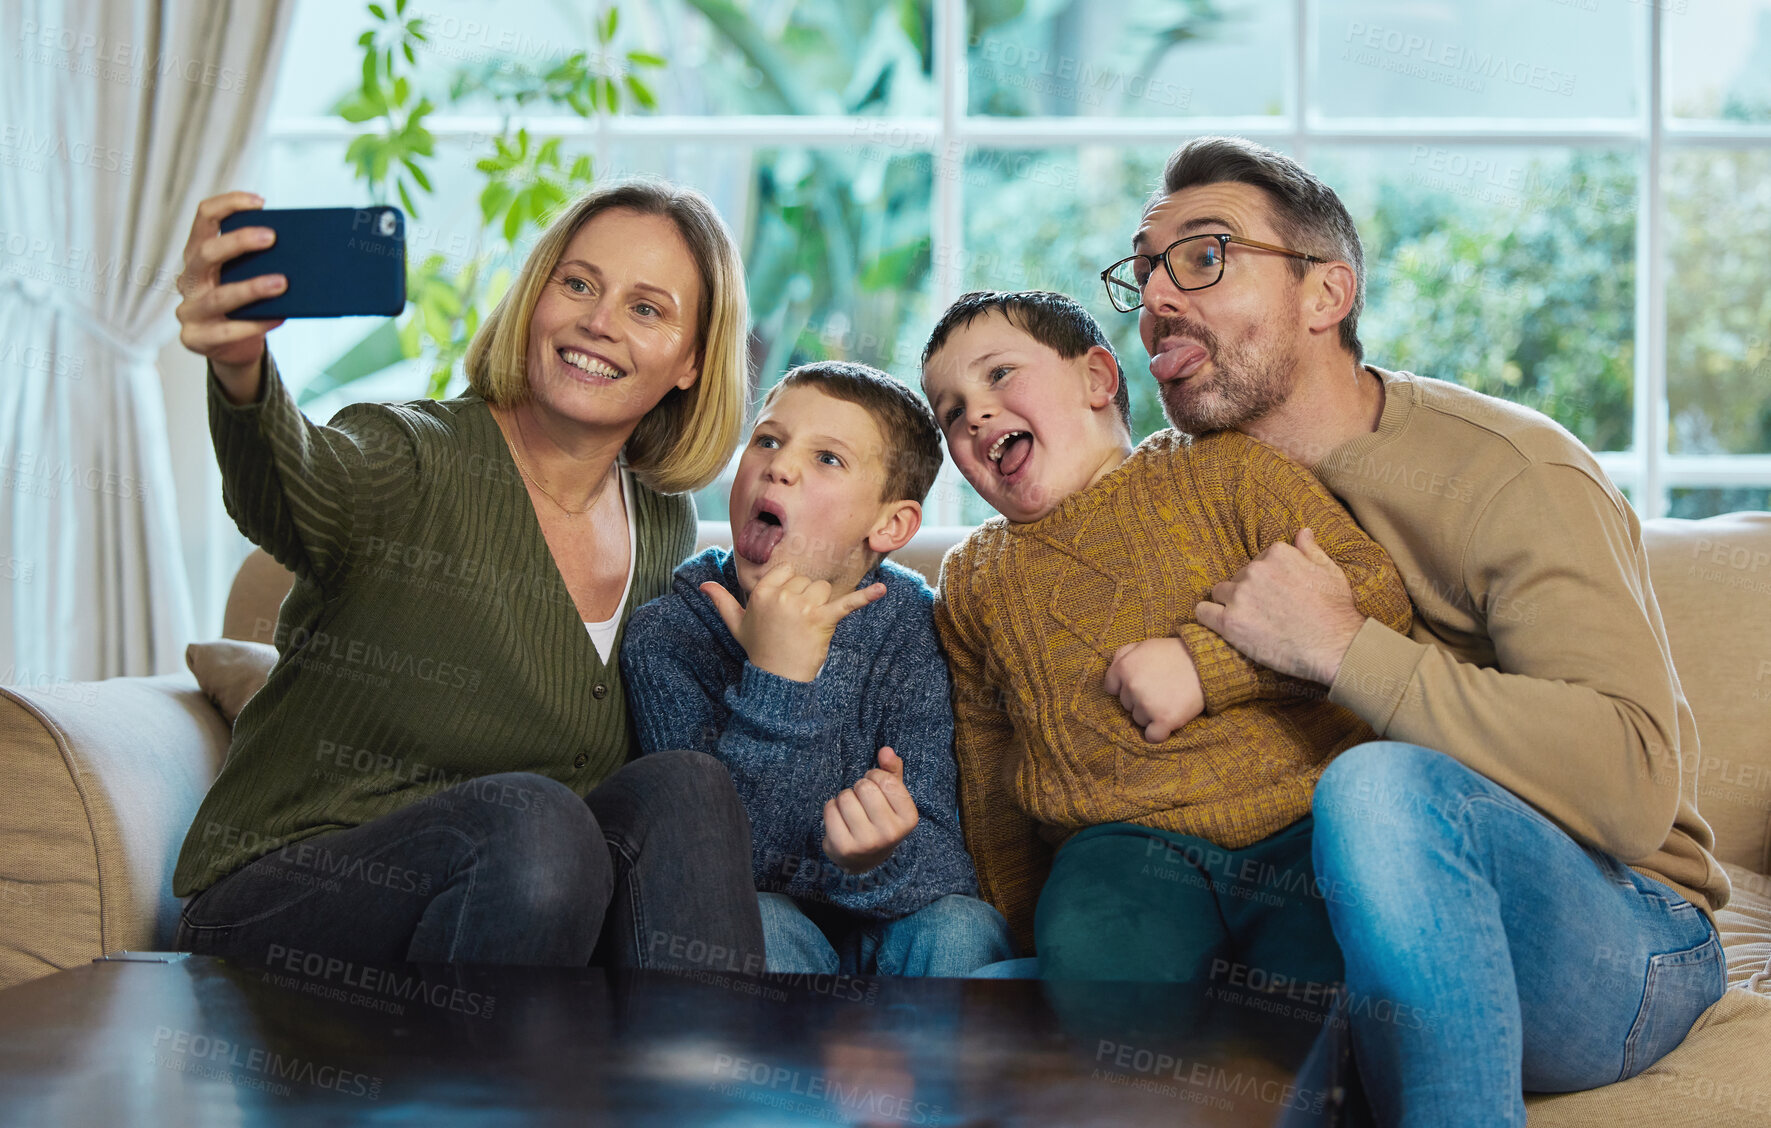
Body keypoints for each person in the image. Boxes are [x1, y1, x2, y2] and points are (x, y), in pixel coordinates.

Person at [1109, 135, 1729, 1125]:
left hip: (1624, 927)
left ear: (1326, 295)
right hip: (1339, 915)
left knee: (1377, 790)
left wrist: (1342, 650)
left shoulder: (1507, 470)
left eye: (1204, 254)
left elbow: (1630, 783)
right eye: (1142, 272)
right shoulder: (1167, 493)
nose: (1156, 299)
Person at [169, 179, 767, 973]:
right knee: (539, 822)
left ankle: (697, 1091)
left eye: (646, 309)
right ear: (536, 297)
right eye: (578, 284)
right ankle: (485, 1101)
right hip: (289, 906)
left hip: (516, 918)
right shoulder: (409, 456)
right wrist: (242, 368)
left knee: (685, 787)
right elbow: (290, 482)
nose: (598, 321)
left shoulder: (662, 520)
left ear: (691, 361)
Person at [919, 289, 1411, 984]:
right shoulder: (970, 580)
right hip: (1117, 850)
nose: (974, 413)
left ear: (1096, 377)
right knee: (1099, 976)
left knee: (1333, 978)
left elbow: (1374, 593)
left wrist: (1206, 665)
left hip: (1298, 822)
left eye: (998, 375)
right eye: (950, 413)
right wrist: (1026, 931)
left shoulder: (1222, 469)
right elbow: (988, 766)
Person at [621, 361, 1013, 976]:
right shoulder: (668, 635)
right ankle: (794, 1078)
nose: (778, 465)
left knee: (965, 928)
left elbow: (950, 864)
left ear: (890, 525)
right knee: (765, 923)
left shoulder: (911, 628)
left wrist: (872, 857)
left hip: (885, 924)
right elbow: (717, 865)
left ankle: (910, 1076)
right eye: (768, 439)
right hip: (757, 921)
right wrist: (776, 678)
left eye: (828, 458)